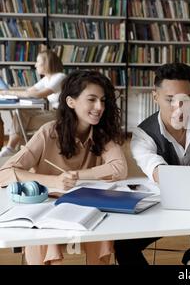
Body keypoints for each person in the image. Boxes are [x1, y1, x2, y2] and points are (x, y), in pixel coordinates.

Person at [0, 70, 127, 265]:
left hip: (87, 205)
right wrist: (54, 181)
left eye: (103, 100)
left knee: (103, 231)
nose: (99, 107)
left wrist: (78, 174)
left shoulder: (104, 132)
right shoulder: (49, 132)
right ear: (71, 102)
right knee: (40, 236)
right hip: (47, 208)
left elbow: (119, 169)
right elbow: (4, 173)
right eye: (91, 100)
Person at [114, 62, 190, 265]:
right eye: (170, 99)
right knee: (123, 246)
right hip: (161, 206)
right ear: (155, 97)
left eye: (185, 99)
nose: (179, 108)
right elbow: (161, 175)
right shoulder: (142, 135)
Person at [0, 50, 66, 157]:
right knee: (22, 114)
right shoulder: (46, 79)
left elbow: (39, 94)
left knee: (21, 122)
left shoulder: (60, 77)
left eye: (38, 62)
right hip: (51, 112)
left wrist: (8, 92)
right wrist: (12, 92)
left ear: (47, 63)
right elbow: (29, 91)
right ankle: (16, 150)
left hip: (61, 115)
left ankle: (14, 149)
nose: (35, 65)